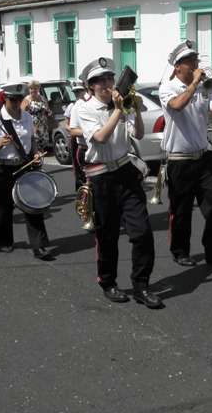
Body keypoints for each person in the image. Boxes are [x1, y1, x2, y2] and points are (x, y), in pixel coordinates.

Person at [75, 57, 162, 308]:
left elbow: (139, 134)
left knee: (142, 231)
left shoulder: (120, 105)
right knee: (108, 235)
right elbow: (100, 137)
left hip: (125, 171)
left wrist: (133, 108)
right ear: (90, 86)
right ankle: (108, 282)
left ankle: (141, 285)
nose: (106, 83)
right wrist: (117, 110)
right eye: (100, 80)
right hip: (101, 177)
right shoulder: (84, 108)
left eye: (110, 78)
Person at [159, 41, 212, 268]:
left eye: (196, 61)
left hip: (203, 157)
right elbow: (177, 106)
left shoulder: (204, 88)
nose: (195, 65)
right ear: (177, 67)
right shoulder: (168, 87)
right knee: (181, 211)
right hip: (179, 160)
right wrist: (194, 85)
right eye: (191, 61)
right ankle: (180, 251)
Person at [0, 83, 51, 259]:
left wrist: (35, 152)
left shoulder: (27, 117)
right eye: (12, 99)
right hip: (2, 168)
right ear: (4, 99)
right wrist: (1, 143)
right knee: (3, 208)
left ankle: (39, 245)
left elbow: (32, 140)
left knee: (32, 205)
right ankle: (4, 241)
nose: (16, 103)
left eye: (19, 99)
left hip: (23, 165)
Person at [64, 79, 89, 191]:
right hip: (76, 138)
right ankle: (80, 188)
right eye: (76, 92)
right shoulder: (72, 106)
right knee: (76, 163)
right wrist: (72, 129)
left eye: (80, 91)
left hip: (84, 139)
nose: (78, 94)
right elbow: (67, 124)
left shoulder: (88, 104)